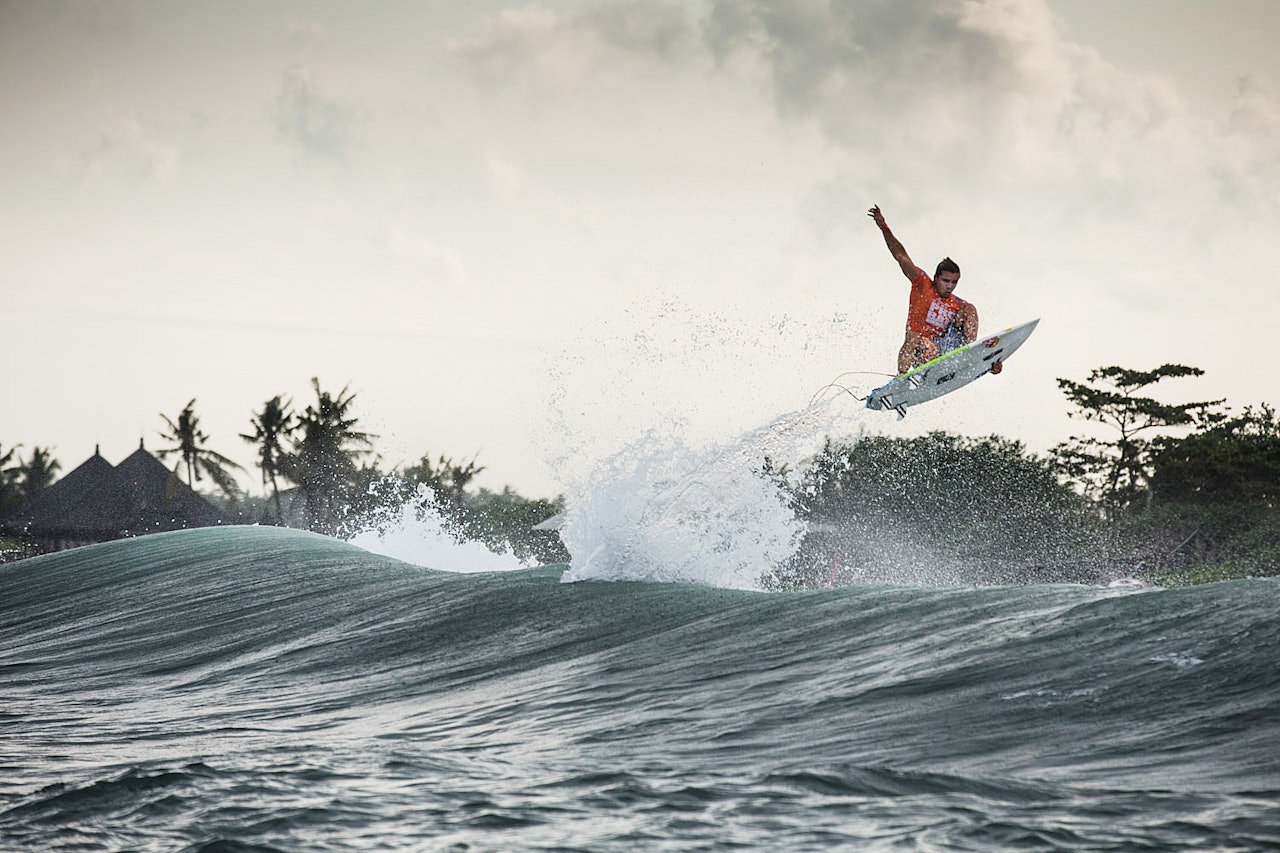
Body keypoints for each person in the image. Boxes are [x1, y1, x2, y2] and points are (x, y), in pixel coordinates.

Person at [868, 204, 1001, 376]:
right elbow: (900, 256)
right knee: (914, 337)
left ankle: (970, 354)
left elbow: (965, 316)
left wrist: (989, 365)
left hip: (948, 348)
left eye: (954, 282)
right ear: (936, 277)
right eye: (946, 281)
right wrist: (884, 227)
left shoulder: (956, 303)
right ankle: (901, 378)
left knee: (969, 308)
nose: (950, 286)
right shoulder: (922, 284)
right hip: (923, 349)